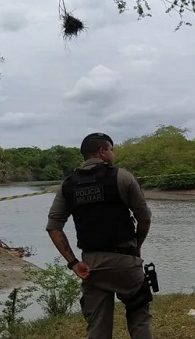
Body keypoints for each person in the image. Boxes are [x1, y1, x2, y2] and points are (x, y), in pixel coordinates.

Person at [46, 132, 153, 339]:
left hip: (91, 266)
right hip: (125, 262)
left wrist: (73, 263)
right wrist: (136, 247)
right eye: (111, 149)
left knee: (97, 326)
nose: (113, 154)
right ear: (103, 151)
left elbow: (54, 227)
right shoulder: (122, 176)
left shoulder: (67, 185)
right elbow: (144, 219)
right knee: (139, 315)